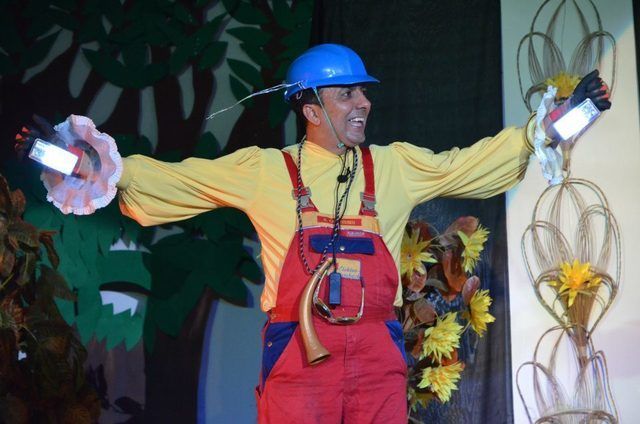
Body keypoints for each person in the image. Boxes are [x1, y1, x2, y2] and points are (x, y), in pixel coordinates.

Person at [31, 43, 610, 423]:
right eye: (347, 94)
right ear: (310, 109)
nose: (364, 103)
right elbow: (178, 180)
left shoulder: (394, 165)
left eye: (363, 92)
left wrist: (551, 125)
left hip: (378, 355)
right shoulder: (265, 170)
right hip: (299, 355)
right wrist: (91, 163)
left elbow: (471, 164)